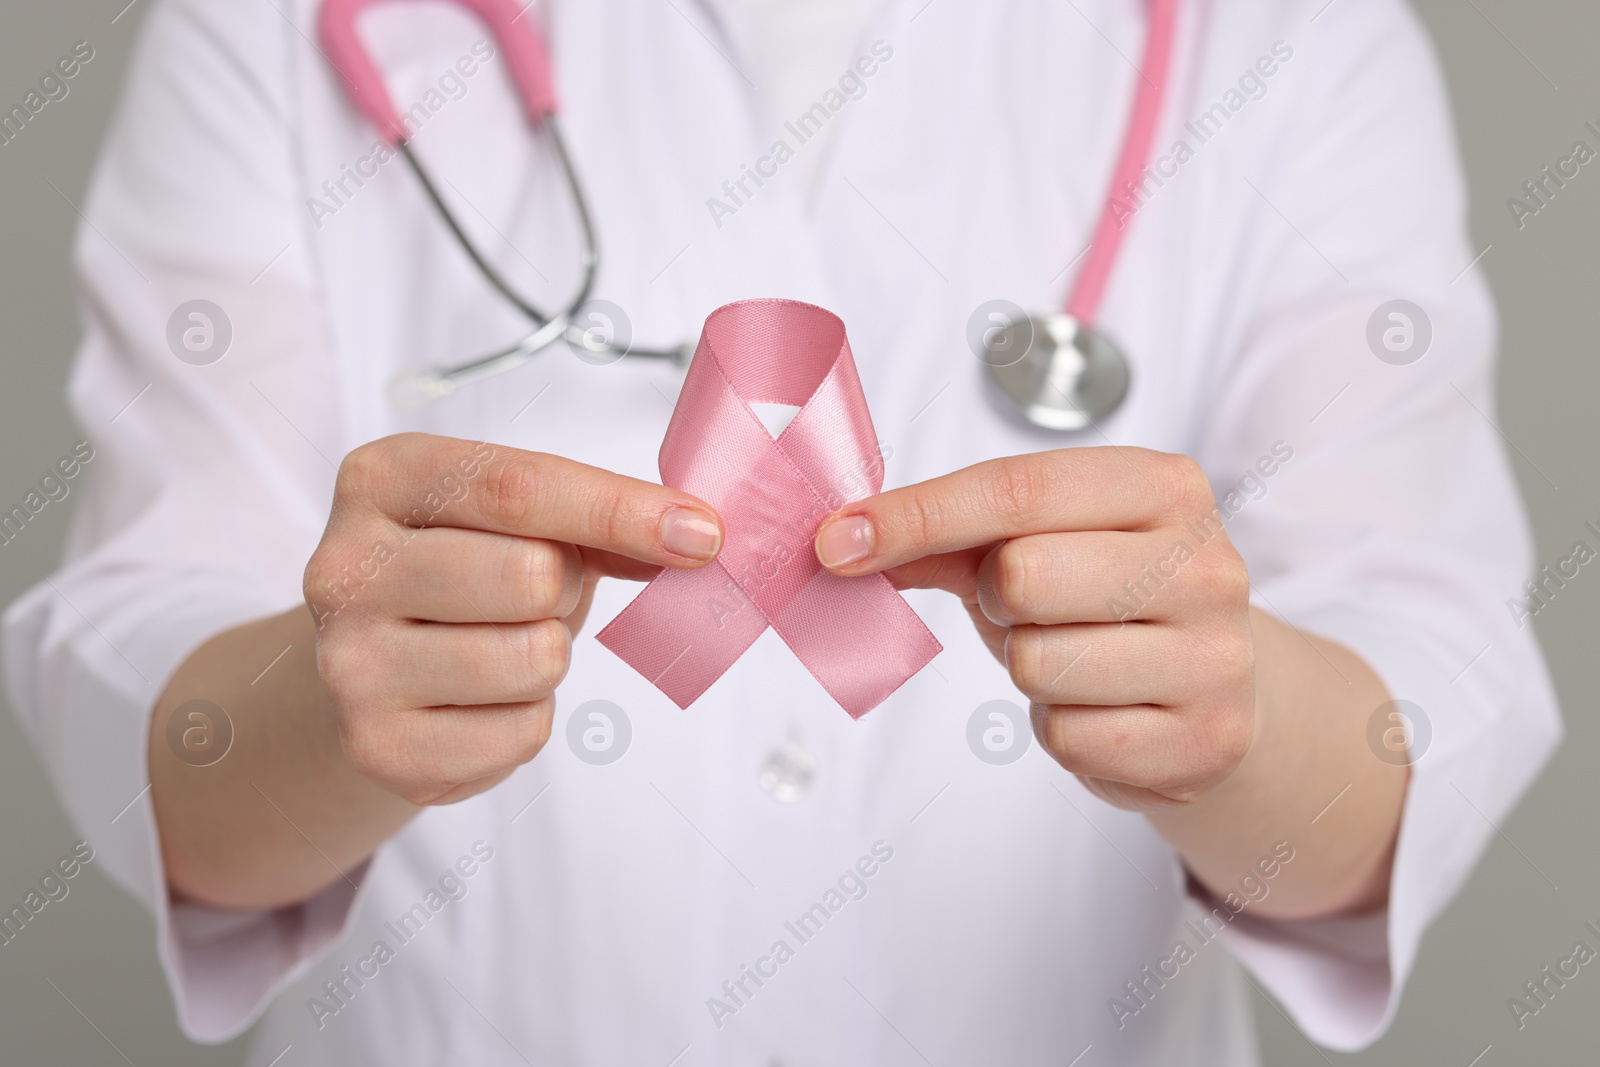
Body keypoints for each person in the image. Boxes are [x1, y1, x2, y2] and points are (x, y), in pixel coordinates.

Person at [3, 0, 1560, 1063]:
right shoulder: (272, 28)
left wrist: (1245, 722)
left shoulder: (1296, 40)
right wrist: (320, 713)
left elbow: (1425, 695)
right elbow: (150, 707)